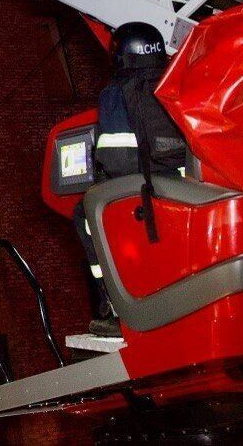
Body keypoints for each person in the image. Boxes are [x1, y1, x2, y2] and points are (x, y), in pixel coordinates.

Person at [74, 21, 188, 337]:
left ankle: (113, 305)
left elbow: (117, 158)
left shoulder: (115, 93)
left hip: (144, 188)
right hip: (186, 184)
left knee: (85, 213)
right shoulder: (176, 82)